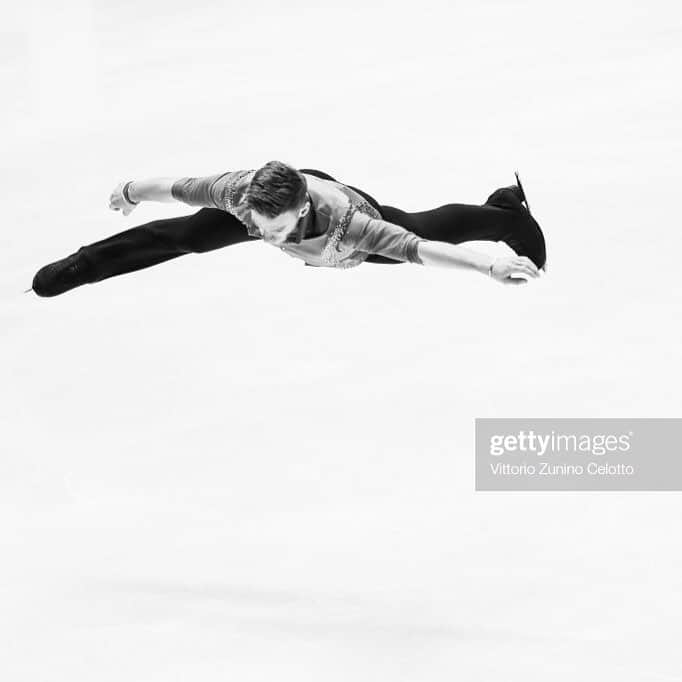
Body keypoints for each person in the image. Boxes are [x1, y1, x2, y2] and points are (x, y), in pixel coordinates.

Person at [29, 161, 546, 297]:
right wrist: (129, 190)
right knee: (184, 235)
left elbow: (421, 248)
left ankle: (505, 214)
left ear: (300, 213)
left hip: (343, 225)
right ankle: (85, 264)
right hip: (276, 188)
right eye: (259, 226)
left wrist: (492, 263)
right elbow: (174, 186)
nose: (266, 238)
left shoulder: (353, 227)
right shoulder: (236, 193)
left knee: (429, 224)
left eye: (275, 230)